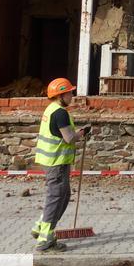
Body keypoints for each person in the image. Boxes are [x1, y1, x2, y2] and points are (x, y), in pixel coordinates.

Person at [31, 78, 88, 252]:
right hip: (57, 162)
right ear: (60, 95)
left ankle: (41, 225)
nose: (72, 95)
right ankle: (45, 238)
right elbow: (69, 138)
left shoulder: (51, 109)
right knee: (56, 197)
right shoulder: (61, 113)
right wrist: (82, 133)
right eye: (69, 92)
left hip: (52, 162)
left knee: (61, 195)